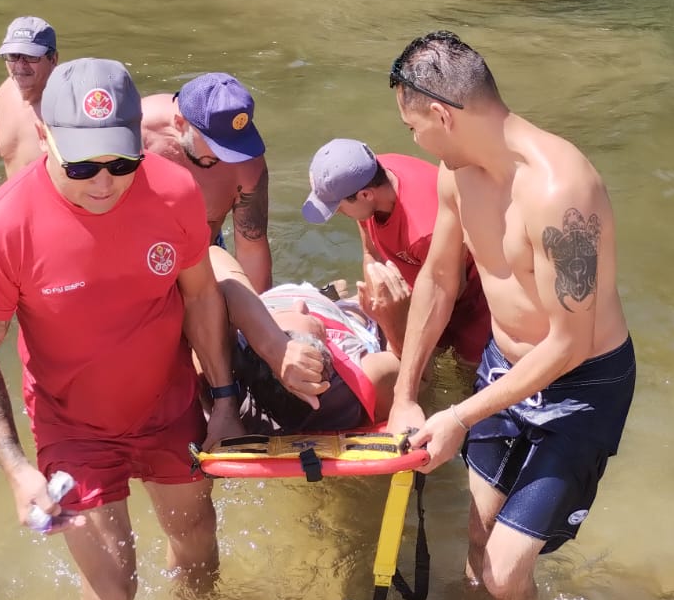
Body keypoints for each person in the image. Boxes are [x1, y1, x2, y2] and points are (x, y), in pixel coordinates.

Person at [0, 58, 238, 600]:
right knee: (113, 594)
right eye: (82, 164)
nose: (103, 181)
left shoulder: (175, 191)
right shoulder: (5, 225)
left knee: (198, 545)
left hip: (170, 403)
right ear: (46, 136)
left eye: (120, 161)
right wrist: (16, 470)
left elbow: (202, 295)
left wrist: (225, 400)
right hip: (72, 423)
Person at [384, 31, 635, 600]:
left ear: (442, 114)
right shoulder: (456, 174)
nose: (414, 141)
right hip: (504, 367)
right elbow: (440, 282)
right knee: (477, 540)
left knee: (501, 569)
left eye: (414, 127)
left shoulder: (559, 191)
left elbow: (569, 344)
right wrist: (406, 395)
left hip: (582, 385)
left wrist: (458, 416)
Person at [301, 138, 490, 366]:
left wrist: (401, 328)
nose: (338, 213)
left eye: (339, 207)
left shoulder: (424, 231)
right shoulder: (368, 173)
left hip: (472, 299)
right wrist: (380, 302)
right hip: (424, 279)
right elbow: (371, 254)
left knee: (464, 371)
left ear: (365, 195)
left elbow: (449, 291)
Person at [203, 246, 405, 448]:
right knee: (362, 312)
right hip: (332, 314)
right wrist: (392, 319)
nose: (300, 305)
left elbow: (213, 253)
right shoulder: (365, 375)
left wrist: (223, 402)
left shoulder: (228, 362)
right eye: (305, 315)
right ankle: (336, 297)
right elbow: (415, 377)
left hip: (263, 304)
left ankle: (331, 296)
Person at [141, 73, 272, 292]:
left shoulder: (248, 164)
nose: (228, 156)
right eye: (216, 144)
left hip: (203, 254)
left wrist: (262, 314)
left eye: (236, 144)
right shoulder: (134, 132)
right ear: (180, 123)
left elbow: (252, 249)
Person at [0, 16, 60, 179]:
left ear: (53, 59)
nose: (20, 65)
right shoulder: (8, 89)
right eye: (13, 55)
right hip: (16, 200)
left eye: (31, 56)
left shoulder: (66, 105)